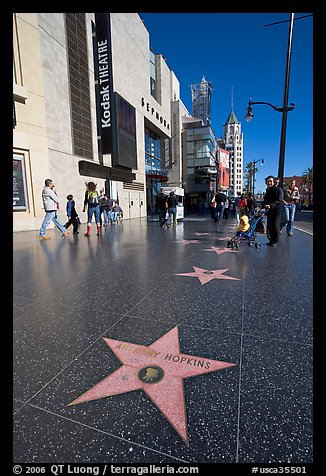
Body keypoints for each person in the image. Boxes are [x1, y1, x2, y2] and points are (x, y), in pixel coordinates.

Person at [262, 175, 284, 247]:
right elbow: (265, 200)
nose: (269, 183)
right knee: (270, 226)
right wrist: (262, 205)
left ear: (273, 182)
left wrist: (270, 205)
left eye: (271, 181)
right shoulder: (267, 190)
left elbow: (279, 200)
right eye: (268, 181)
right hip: (270, 211)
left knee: (275, 226)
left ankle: (275, 240)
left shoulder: (278, 190)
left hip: (277, 211)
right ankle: (271, 240)